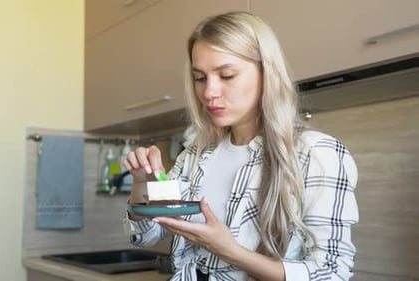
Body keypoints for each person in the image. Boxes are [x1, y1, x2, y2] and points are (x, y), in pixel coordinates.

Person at [122, 11, 358, 281]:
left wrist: (231, 251)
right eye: (200, 78)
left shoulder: (317, 154)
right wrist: (142, 183)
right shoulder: (196, 156)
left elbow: (331, 273)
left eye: (227, 75)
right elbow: (145, 236)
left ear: (266, 74)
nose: (209, 92)